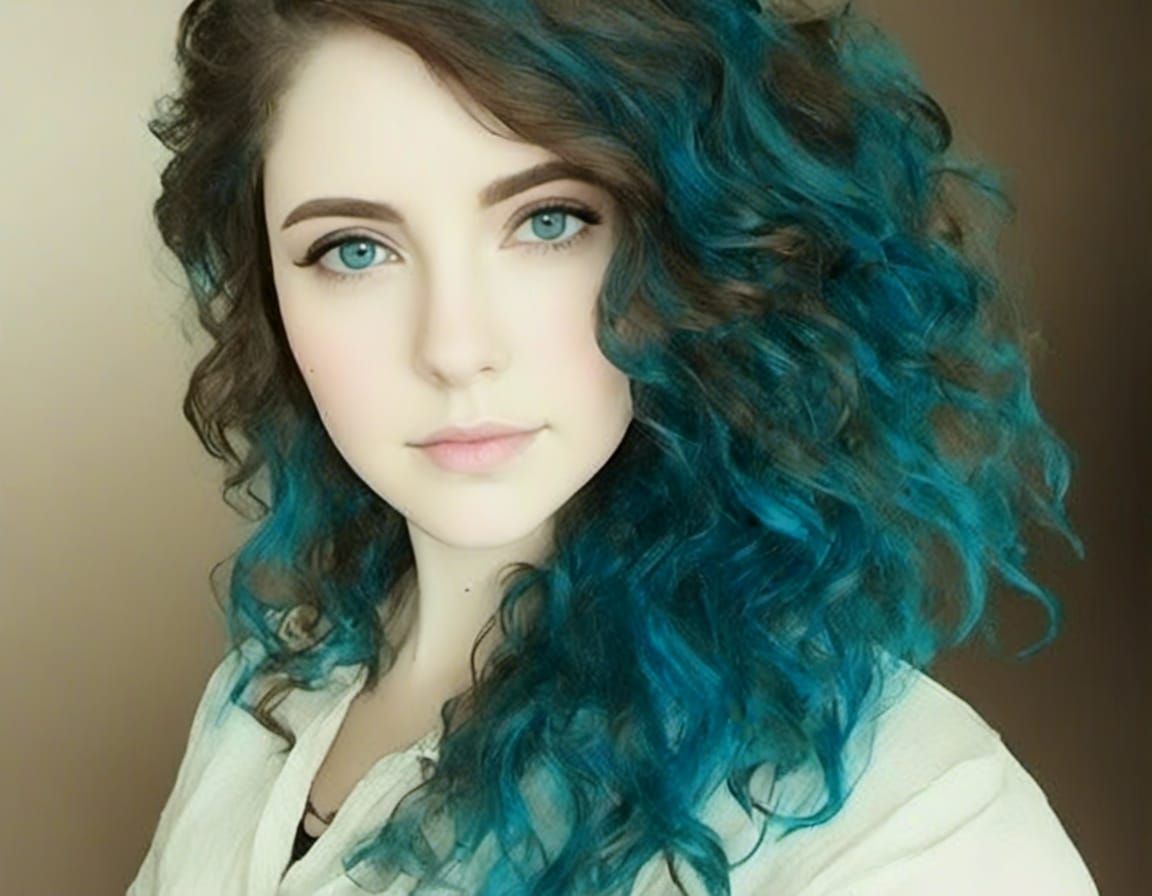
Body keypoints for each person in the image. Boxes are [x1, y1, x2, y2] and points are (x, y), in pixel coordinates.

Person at [129, 1, 1098, 893]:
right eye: (355, 249)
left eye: (550, 221)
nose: (455, 348)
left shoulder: (909, 825)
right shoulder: (270, 690)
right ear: (270, 290)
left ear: (692, 246)